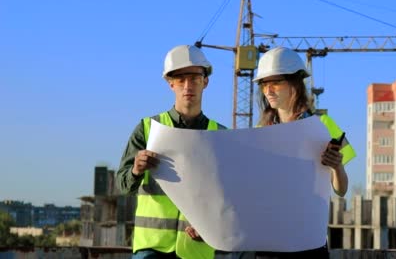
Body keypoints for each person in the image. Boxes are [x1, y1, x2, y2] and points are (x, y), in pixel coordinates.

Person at [215, 46, 356, 259]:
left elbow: (341, 190)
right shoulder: (262, 132)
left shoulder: (323, 125)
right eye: (264, 85)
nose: (268, 90)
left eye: (275, 83)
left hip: (307, 240)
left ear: (295, 83)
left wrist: (336, 166)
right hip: (270, 239)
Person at [116, 45, 226, 259]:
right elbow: (123, 185)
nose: (188, 86)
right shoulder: (148, 128)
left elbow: (229, 197)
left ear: (205, 81)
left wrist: (212, 229)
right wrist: (136, 171)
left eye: (194, 78)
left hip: (197, 248)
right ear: (170, 83)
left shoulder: (221, 135)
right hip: (152, 248)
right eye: (181, 79)